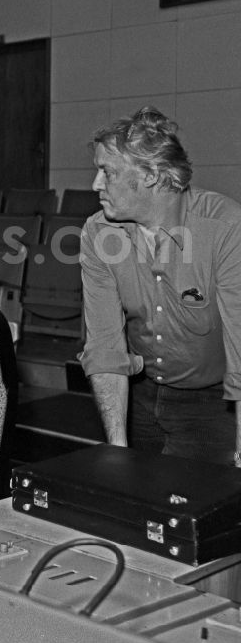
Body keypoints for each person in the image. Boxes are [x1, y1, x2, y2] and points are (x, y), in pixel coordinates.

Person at [79, 106, 241, 467]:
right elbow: (105, 347)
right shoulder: (99, 232)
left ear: (151, 175)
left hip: (213, 406)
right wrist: (117, 450)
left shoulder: (226, 227)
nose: (96, 185)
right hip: (139, 394)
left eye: (107, 172)